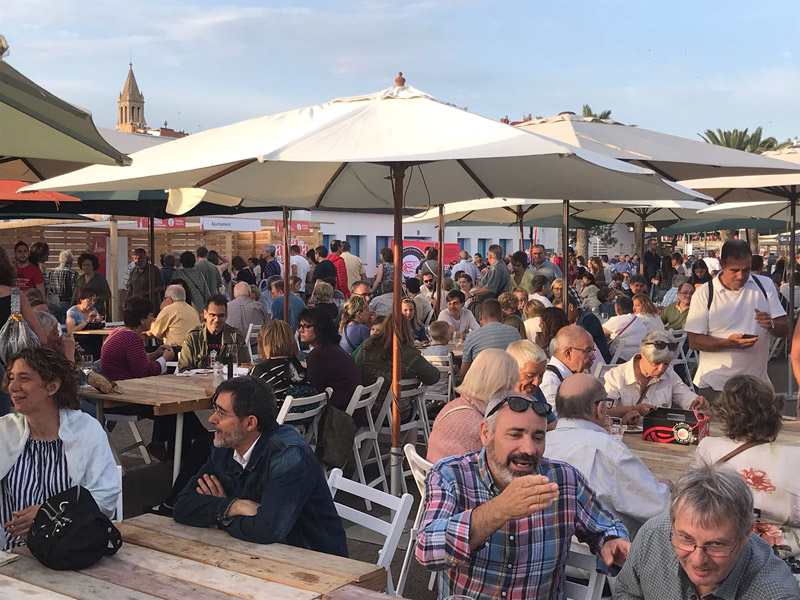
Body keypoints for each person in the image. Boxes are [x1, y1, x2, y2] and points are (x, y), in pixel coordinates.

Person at [415, 389, 630, 599]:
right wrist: (499, 509)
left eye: (538, 437)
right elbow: (427, 550)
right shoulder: (452, 475)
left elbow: (606, 527)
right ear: (486, 433)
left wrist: (611, 541)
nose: (528, 449)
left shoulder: (564, 479)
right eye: (515, 435)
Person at [172, 376, 347, 556]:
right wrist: (234, 506)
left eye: (221, 413)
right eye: (215, 409)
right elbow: (182, 506)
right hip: (256, 553)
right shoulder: (225, 447)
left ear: (250, 423)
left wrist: (221, 517)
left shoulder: (288, 456)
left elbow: (267, 530)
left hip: (313, 561)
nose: (211, 419)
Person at [614, 463, 799, 599]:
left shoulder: (776, 594)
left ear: (745, 536)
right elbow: (627, 591)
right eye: (685, 539)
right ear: (674, 524)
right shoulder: (653, 537)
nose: (698, 560)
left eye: (716, 544)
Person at [0, 347, 120, 550]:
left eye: (24, 378)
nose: (13, 386)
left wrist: (52, 514)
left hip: (70, 549)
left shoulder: (86, 430)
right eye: (11, 378)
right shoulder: (4, 431)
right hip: (11, 554)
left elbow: (106, 496)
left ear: (52, 386)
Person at [695, 376, 800, 576]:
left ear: (725, 413)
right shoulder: (794, 458)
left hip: (725, 560)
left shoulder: (708, 448)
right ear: (773, 412)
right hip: (786, 565)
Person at [545, 373, 670, 537]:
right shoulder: (610, 451)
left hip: (554, 549)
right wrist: (667, 487)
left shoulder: (542, 444)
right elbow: (662, 508)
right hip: (605, 553)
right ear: (598, 409)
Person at [686, 240, 789, 405]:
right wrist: (729, 343)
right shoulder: (705, 293)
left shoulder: (764, 285)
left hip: (757, 386)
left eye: (746, 269)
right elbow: (694, 340)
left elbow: (785, 329)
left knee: (760, 431)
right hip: (716, 387)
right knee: (716, 431)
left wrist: (771, 325)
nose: (741, 276)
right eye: (734, 270)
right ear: (721, 264)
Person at [427, 350, 520, 463]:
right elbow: (501, 467)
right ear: (502, 386)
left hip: (436, 475)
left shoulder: (452, 406)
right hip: (461, 479)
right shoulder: (479, 426)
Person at [604, 330, 707, 424]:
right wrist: (633, 409)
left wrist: (696, 402)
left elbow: (684, 395)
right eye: (656, 363)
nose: (661, 369)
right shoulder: (616, 376)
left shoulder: (669, 373)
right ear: (643, 354)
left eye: (666, 363)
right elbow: (605, 410)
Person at [354, 315, 440, 422]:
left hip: (364, 411)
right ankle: (409, 439)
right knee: (416, 414)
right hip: (395, 414)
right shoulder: (409, 354)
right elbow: (434, 377)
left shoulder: (368, 346)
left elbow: (355, 371)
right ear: (406, 330)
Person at [296, 308, 364, 424]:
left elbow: (313, 389)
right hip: (354, 413)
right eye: (300, 325)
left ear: (319, 328)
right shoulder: (333, 349)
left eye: (306, 326)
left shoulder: (319, 355)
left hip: (338, 418)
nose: (300, 330)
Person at [100, 295, 175, 379]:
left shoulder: (118, 331)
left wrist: (156, 354)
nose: (153, 320)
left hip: (113, 380)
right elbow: (144, 372)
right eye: (150, 316)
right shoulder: (132, 338)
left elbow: (137, 361)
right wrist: (164, 359)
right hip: (124, 384)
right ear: (142, 320)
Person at [179, 295, 249, 371]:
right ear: (205, 314)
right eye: (213, 315)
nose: (217, 319)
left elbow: (245, 366)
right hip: (198, 380)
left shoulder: (236, 337)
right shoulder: (193, 336)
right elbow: (184, 368)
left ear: (226, 315)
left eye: (221, 316)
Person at [250, 320, 310, 405]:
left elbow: (247, 400)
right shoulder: (299, 367)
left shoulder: (262, 370)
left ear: (264, 343)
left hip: (273, 415)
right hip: (302, 416)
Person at [460, 298, 521, 376]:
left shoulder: (472, 336)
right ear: (501, 316)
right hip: (508, 382)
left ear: (480, 316)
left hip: (481, 384)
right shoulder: (514, 332)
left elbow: (464, 371)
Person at [539, 324, 596, 408]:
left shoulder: (572, 376)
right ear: (568, 353)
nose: (593, 356)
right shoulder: (551, 381)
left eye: (592, 351)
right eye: (588, 351)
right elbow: (555, 419)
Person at [554, 292, 613, 363]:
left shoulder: (587, 319)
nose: (560, 316)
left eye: (561, 312)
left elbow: (583, 345)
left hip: (597, 361)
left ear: (570, 307)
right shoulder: (573, 321)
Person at [147, 284, 201, 350]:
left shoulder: (168, 310)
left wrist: (151, 324)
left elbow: (155, 332)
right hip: (194, 350)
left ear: (170, 299)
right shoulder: (192, 310)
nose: (164, 301)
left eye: (165, 298)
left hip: (176, 350)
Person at [603, 295, 648, 362]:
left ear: (616, 309)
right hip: (640, 357)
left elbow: (601, 333)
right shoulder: (638, 319)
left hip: (621, 358)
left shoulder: (616, 320)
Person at [422, 321, 456, 398]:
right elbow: (455, 369)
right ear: (446, 335)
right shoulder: (447, 352)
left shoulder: (426, 352)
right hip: (444, 390)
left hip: (428, 389)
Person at [49, 250, 78, 321]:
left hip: (54, 303)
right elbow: (75, 290)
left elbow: (49, 288)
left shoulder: (52, 272)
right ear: (70, 260)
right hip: (68, 302)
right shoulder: (73, 273)